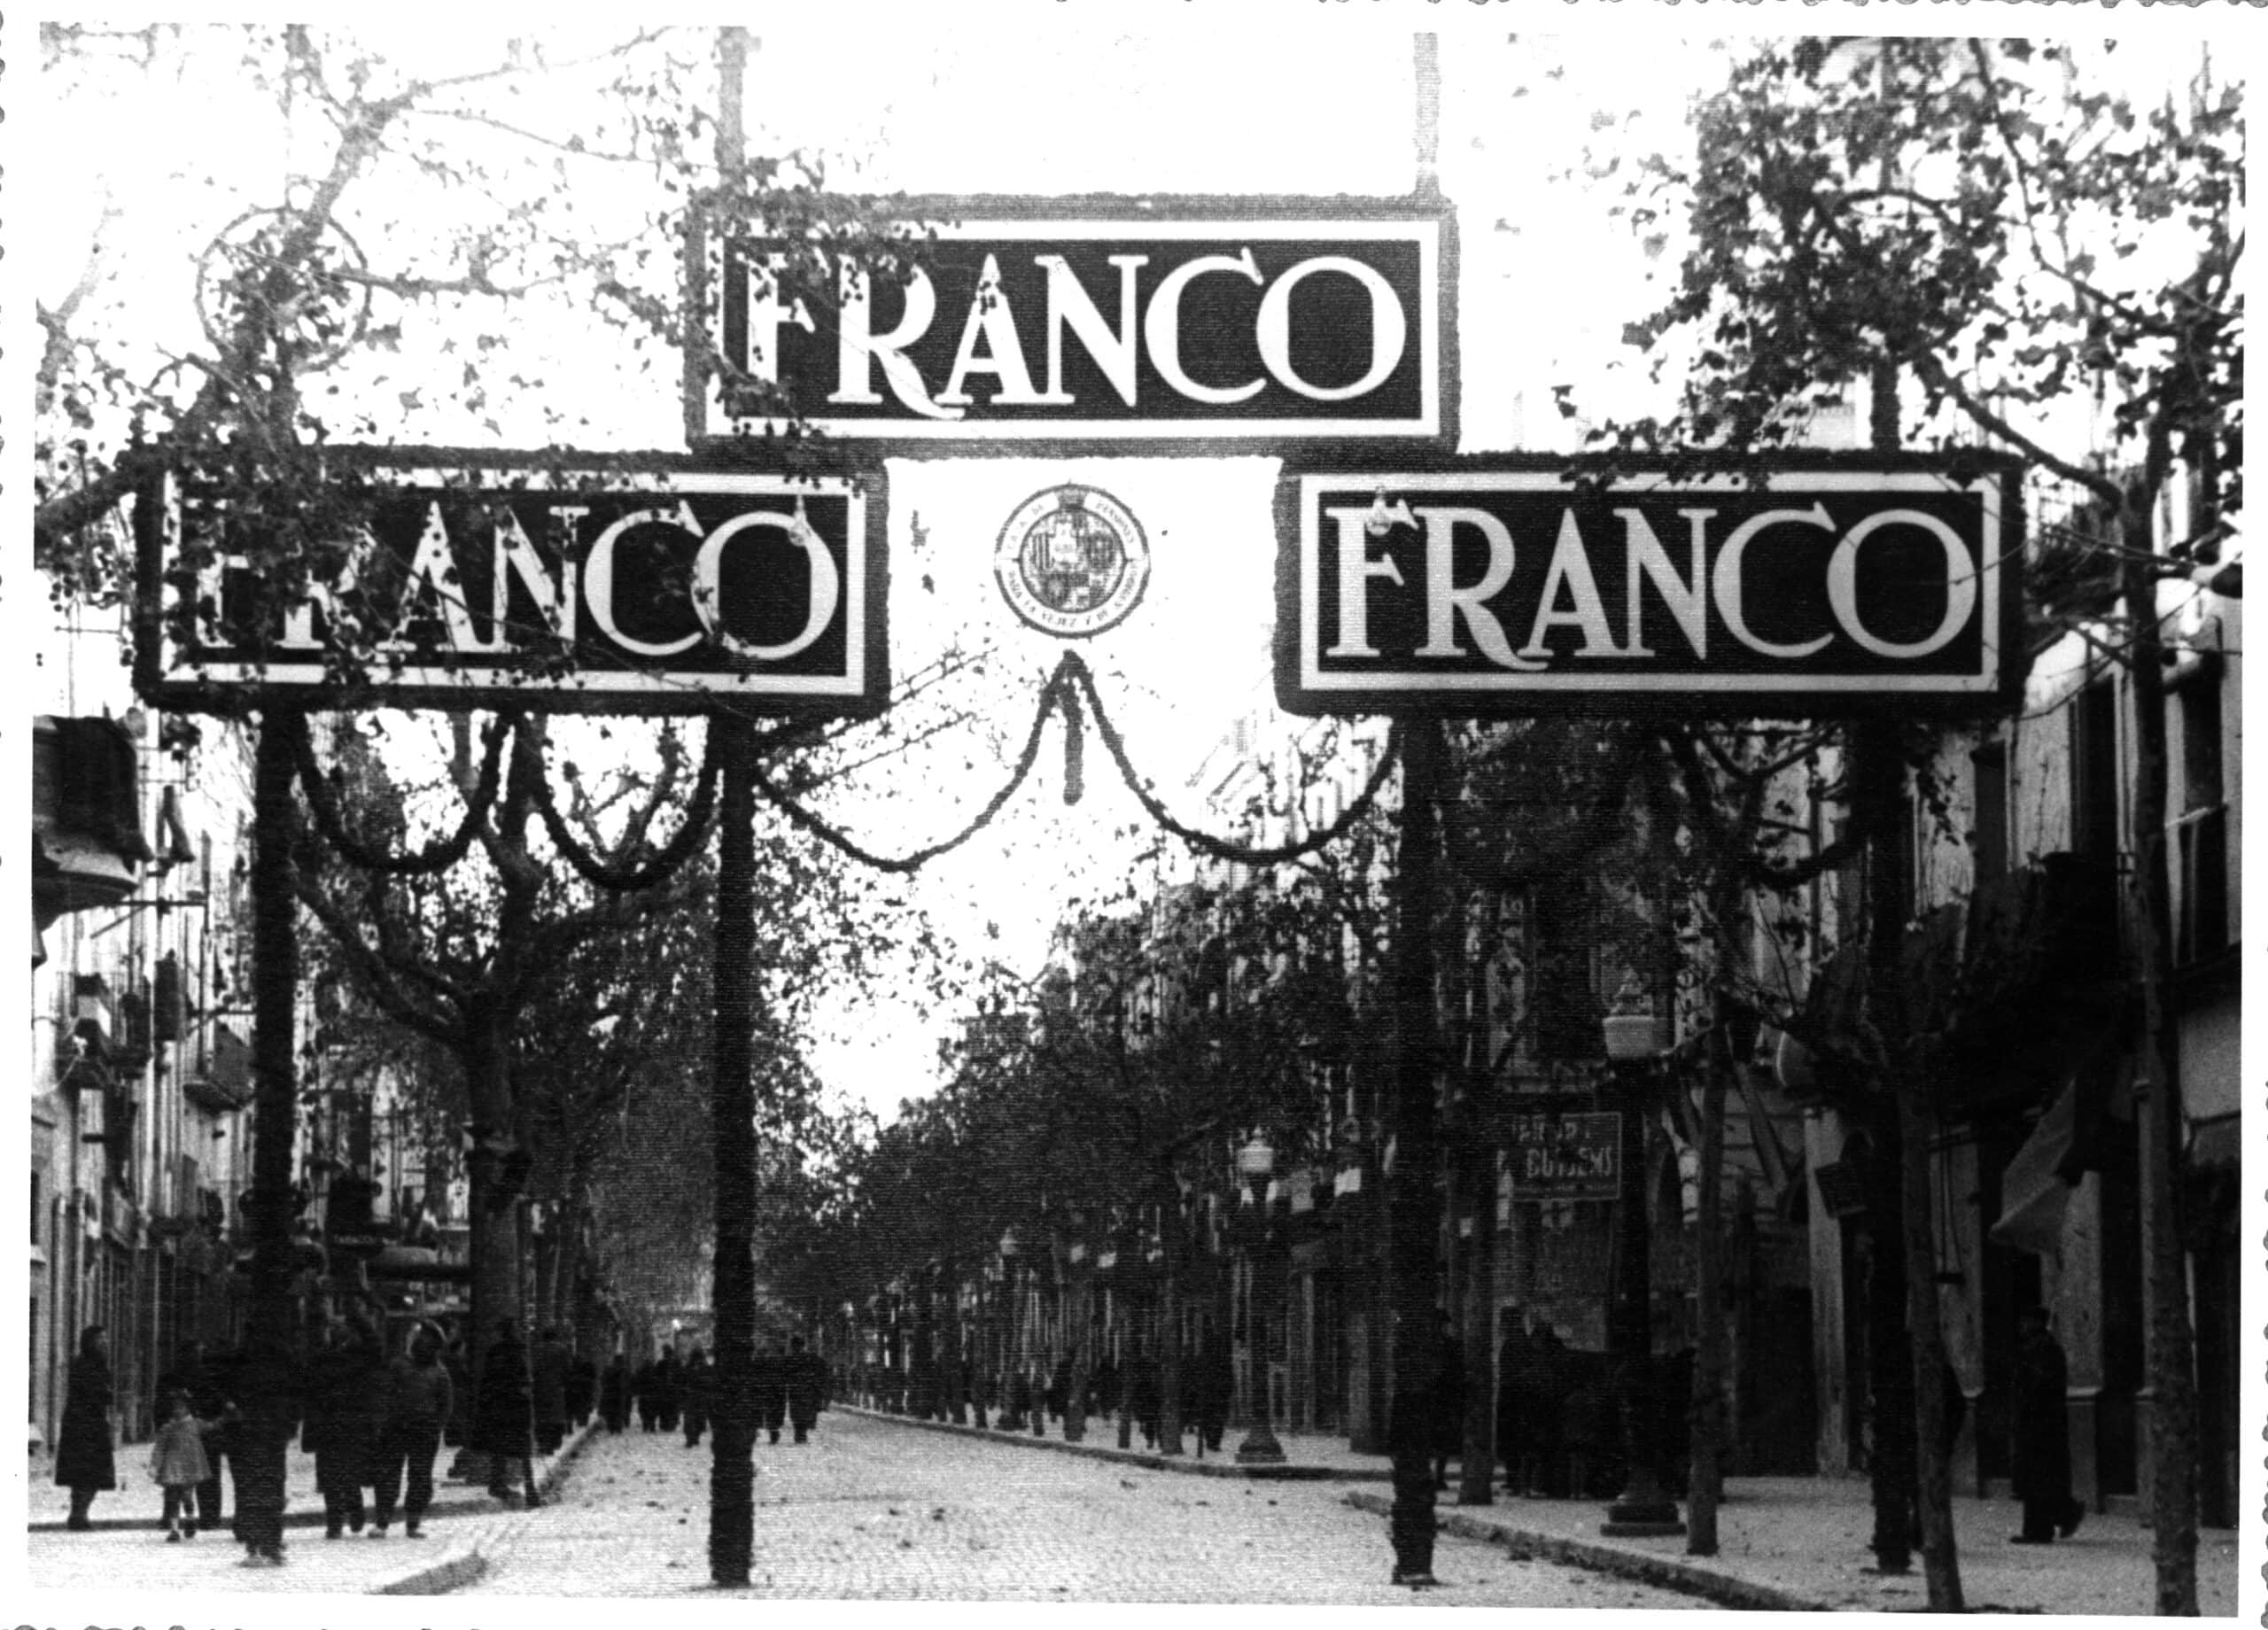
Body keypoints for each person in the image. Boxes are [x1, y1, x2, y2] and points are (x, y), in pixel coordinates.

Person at [304, 1318, 384, 1539]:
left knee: (350, 1473)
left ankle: (354, 1512)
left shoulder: (358, 1357)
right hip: (328, 1424)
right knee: (331, 1476)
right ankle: (335, 1522)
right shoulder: (320, 1358)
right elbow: (310, 1390)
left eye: (338, 1328)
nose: (334, 1332)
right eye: (332, 1328)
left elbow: (375, 1350)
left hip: (351, 1424)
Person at [2010, 1305, 2085, 1544]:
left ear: (2036, 1323)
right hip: (2035, 1422)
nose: (2021, 1326)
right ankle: (2038, 1528)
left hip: (2042, 1423)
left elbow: (2038, 1386)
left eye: (2025, 1321)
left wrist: (2025, 1406)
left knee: (2041, 1476)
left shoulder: (2045, 1350)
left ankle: (2059, 1517)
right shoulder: (2036, 1348)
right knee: (2035, 1477)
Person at [371, 1325, 453, 1540]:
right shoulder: (401, 1366)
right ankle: (385, 1520)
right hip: (398, 1428)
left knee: (418, 1477)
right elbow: (385, 1395)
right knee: (392, 1475)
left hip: (421, 1430)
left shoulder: (438, 1372)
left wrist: (437, 1426)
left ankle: (409, 1521)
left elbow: (445, 1404)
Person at [154, 1339, 228, 1533]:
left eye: (201, 1353)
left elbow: (218, 1403)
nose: (198, 1357)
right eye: (195, 1353)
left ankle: (208, 1516)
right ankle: (176, 1517)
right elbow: (161, 1407)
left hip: (202, 1433)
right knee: (177, 1480)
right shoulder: (171, 1379)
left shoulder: (209, 1378)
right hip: (181, 1435)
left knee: (206, 1476)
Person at [470, 1320, 541, 1507]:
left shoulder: (494, 1353)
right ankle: (530, 1489)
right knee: (522, 1450)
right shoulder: (519, 1353)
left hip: (497, 1407)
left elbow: (487, 1381)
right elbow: (525, 1382)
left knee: (499, 1448)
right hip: (516, 1408)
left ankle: (498, 1483)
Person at [55, 1326, 117, 1531]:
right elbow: (96, 1394)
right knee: (85, 1472)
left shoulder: (98, 1364)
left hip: (92, 1424)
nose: (104, 1342)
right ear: (89, 1341)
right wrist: (105, 1394)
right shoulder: (84, 1365)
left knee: (90, 1473)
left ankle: (79, 1514)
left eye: (105, 1338)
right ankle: (78, 1514)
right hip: (83, 1425)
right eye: (100, 1338)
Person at [148, 1390, 211, 1541]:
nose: (178, 1411)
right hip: (172, 1466)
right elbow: (159, 1448)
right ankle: (174, 1530)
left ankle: (190, 1518)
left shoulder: (195, 1424)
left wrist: (225, 1418)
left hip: (189, 1466)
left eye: (181, 1408)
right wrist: (154, 1465)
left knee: (187, 1496)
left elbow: (212, 1426)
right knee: (172, 1497)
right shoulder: (168, 1428)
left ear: (187, 1409)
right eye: (175, 1408)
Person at [1430, 1309, 1466, 1491]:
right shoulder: (1425, 1348)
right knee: (1434, 1441)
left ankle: (1438, 1476)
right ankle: (1434, 1476)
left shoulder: (1452, 1346)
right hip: (1432, 1399)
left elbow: (1458, 1373)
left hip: (1443, 1399)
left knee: (1441, 1441)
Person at [532, 1327, 571, 1457]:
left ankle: (543, 1443)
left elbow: (534, 1368)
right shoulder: (562, 1350)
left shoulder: (537, 1350)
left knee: (542, 1417)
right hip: (556, 1389)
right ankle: (553, 1444)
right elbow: (567, 1369)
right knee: (555, 1417)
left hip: (540, 1388)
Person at [786, 1335, 827, 1445]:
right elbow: (822, 1371)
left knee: (797, 1412)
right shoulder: (813, 1358)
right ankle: (801, 1433)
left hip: (797, 1390)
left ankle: (800, 1433)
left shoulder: (790, 1359)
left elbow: (785, 1375)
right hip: (808, 1390)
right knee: (804, 1412)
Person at [753, 1341, 788, 1445]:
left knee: (765, 1412)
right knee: (772, 1413)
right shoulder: (777, 1361)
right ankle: (773, 1432)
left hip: (766, 1390)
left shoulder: (759, 1362)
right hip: (774, 1391)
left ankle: (769, 1432)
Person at [680, 1346, 713, 1448]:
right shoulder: (704, 1367)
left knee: (692, 1418)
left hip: (693, 1396)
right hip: (698, 1396)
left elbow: (682, 1380)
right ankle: (693, 1437)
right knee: (697, 1418)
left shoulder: (690, 1366)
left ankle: (692, 1437)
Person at [599, 1351, 632, 1434]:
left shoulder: (608, 1369)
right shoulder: (624, 1370)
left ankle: (611, 1427)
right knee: (619, 1411)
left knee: (610, 1411)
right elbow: (628, 1381)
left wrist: (605, 1388)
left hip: (609, 1393)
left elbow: (602, 1380)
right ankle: (618, 1427)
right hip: (619, 1394)